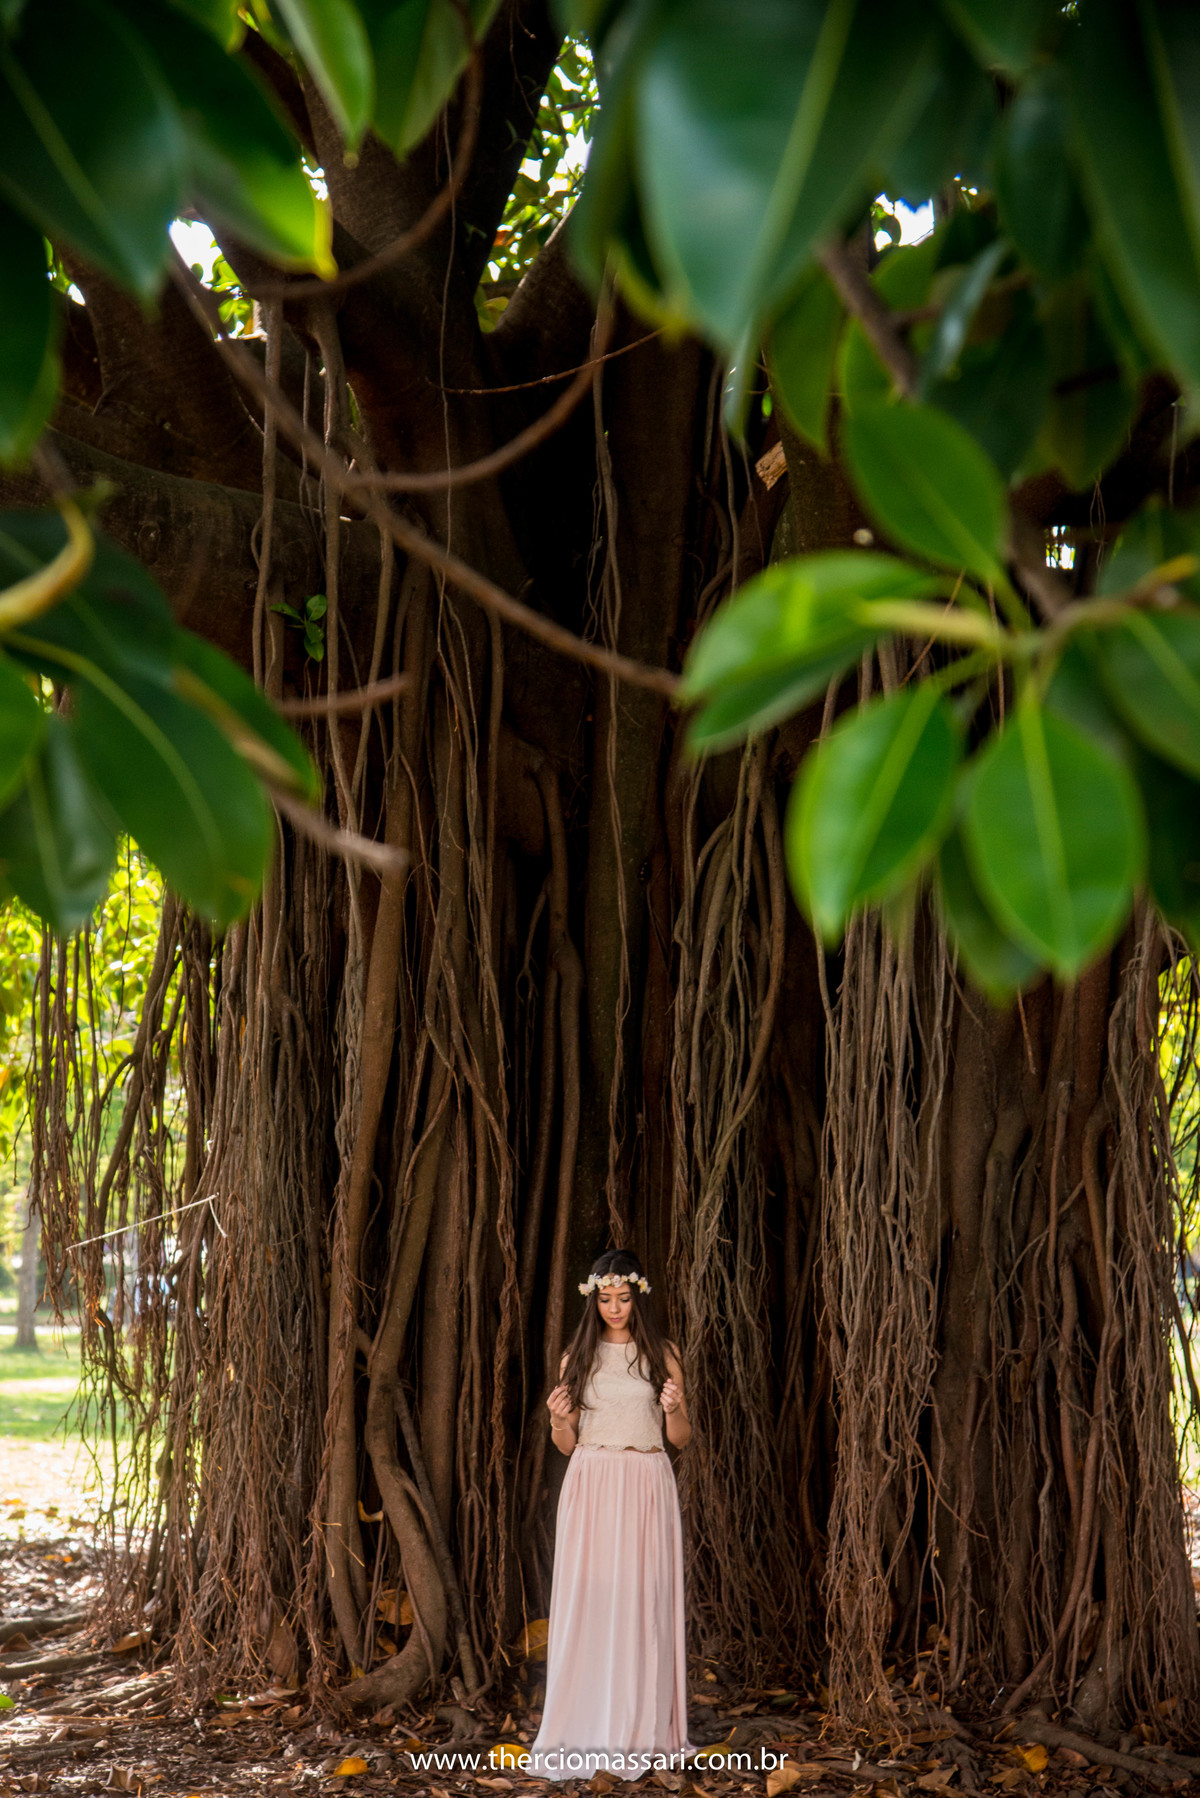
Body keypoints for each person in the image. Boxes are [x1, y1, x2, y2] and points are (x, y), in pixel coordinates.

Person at [527, 1248, 694, 1783]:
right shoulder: (575, 1357)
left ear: (638, 1298)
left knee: (643, 1598)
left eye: (623, 1298)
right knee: (593, 1598)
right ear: (593, 1300)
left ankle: (640, 1727)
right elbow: (566, 1442)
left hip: (646, 1481)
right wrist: (557, 1421)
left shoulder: (663, 1354)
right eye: (605, 1298)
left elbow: (680, 1439)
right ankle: (588, 1723)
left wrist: (674, 1408)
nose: (614, 1307)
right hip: (593, 1482)